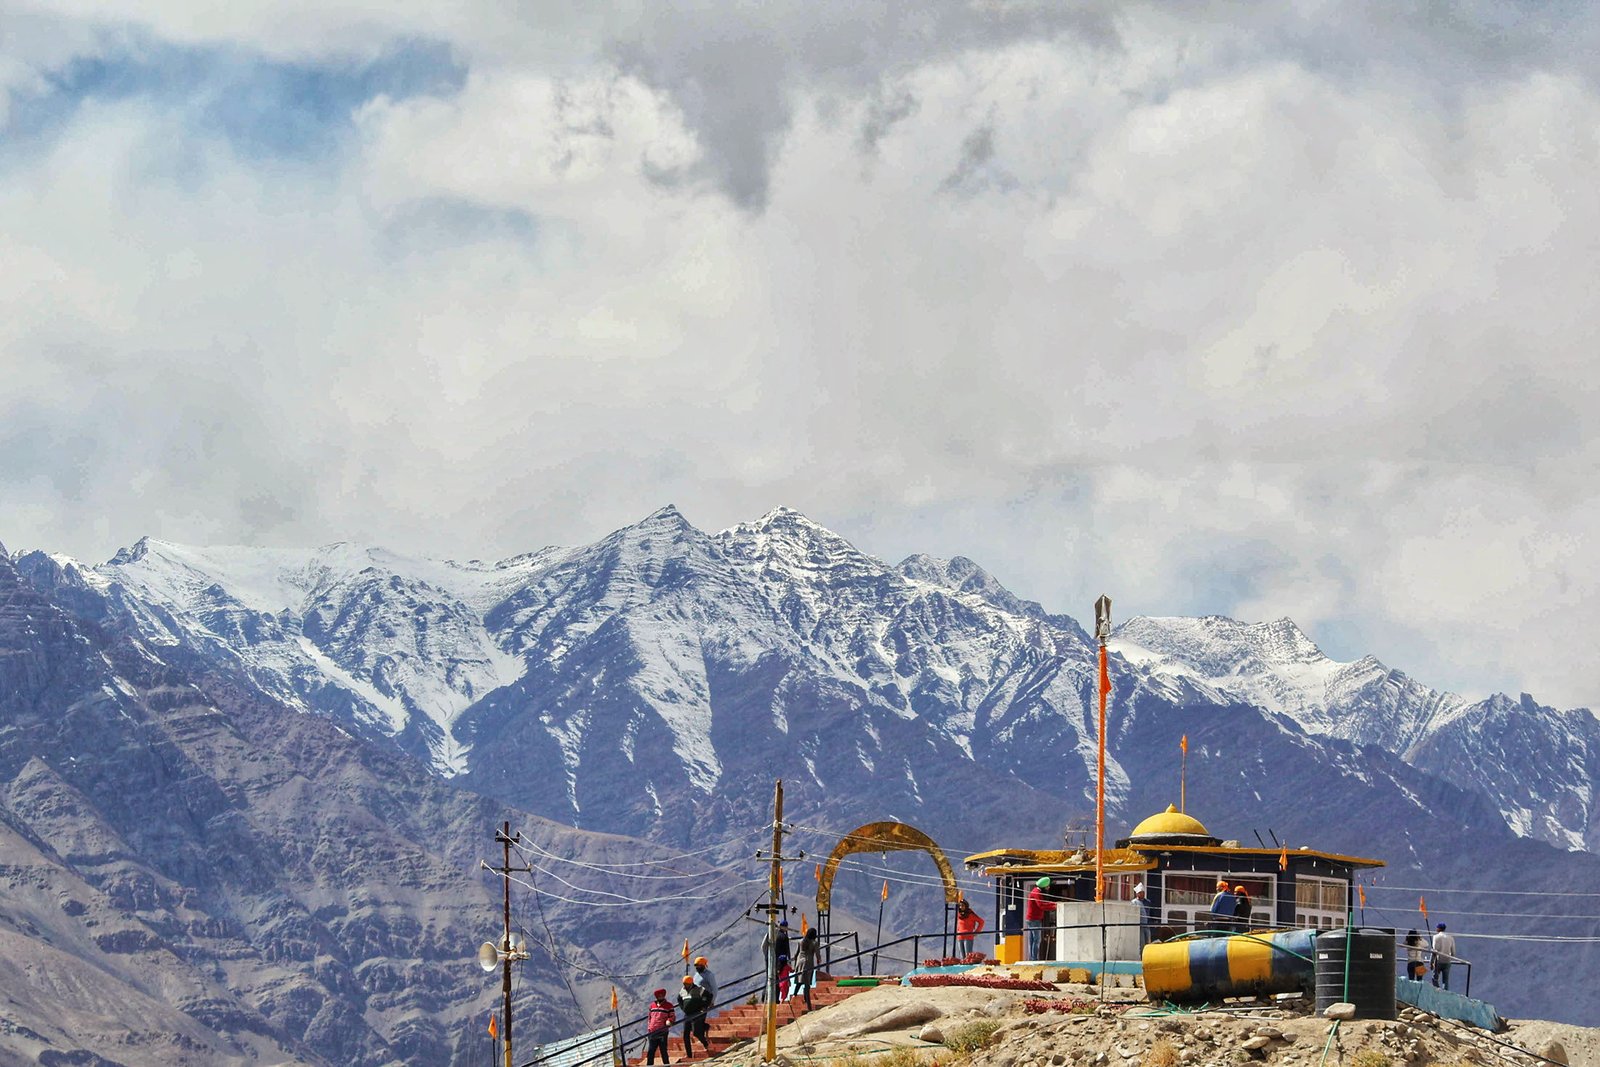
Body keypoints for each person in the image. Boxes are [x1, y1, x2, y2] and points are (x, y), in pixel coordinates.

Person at [676, 975, 711, 1059]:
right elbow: (679, 999)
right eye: (684, 984)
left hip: (696, 1013)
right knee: (685, 1035)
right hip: (687, 1015)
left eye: (687, 984)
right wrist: (683, 1008)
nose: (685, 986)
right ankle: (689, 1055)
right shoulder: (682, 990)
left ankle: (705, 1043)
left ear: (691, 983)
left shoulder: (698, 989)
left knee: (696, 1032)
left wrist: (704, 1006)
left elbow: (708, 996)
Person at [1024, 877, 1056, 960]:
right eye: (1047, 886)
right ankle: (1034, 958)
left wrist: (1053, 904)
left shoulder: (1035, 891)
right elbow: (1041, 905)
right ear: (1044, 886)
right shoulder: (1037, 893)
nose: (1048, 888)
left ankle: (1032, 958)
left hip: (1031, 918)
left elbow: (1042, 903)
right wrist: (1055, 906)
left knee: (1032, 940)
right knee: (1037, 939)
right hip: (1034, 919)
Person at [645, 988, 675, 1065]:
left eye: (662, 995)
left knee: (663, 1051)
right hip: (652, 1032)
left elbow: (672, 1016)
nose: (660, 996)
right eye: (659, 995)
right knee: (651, 1052)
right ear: (656, 996)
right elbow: (649, 1017)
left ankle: (667, 1065)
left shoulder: (669, 1006)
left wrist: (669, 1021)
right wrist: (649, 1027)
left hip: (662, 1032)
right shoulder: (652, 1005)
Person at [795, 928, 820, 1010]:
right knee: (807, 982)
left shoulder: (801, 941)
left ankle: (795, 995)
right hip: (808, 963)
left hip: (799, 961)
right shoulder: (814, 943)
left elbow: (796, 954)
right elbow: (817, 954)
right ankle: (806, 1000)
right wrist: (819, 960)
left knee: (799, 979)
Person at [1432, 923, 1457, 990]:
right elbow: (1453, 952)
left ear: (1438, 928)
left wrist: (1431, 962)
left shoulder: (1435, 937)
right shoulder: (1451, 938)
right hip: (1447, 961)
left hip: (1438, 960)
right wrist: (1449, 957)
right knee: (1445, 980)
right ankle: (1445, 993)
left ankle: (1436, 990)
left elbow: (1434, 950)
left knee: (1435, 978)